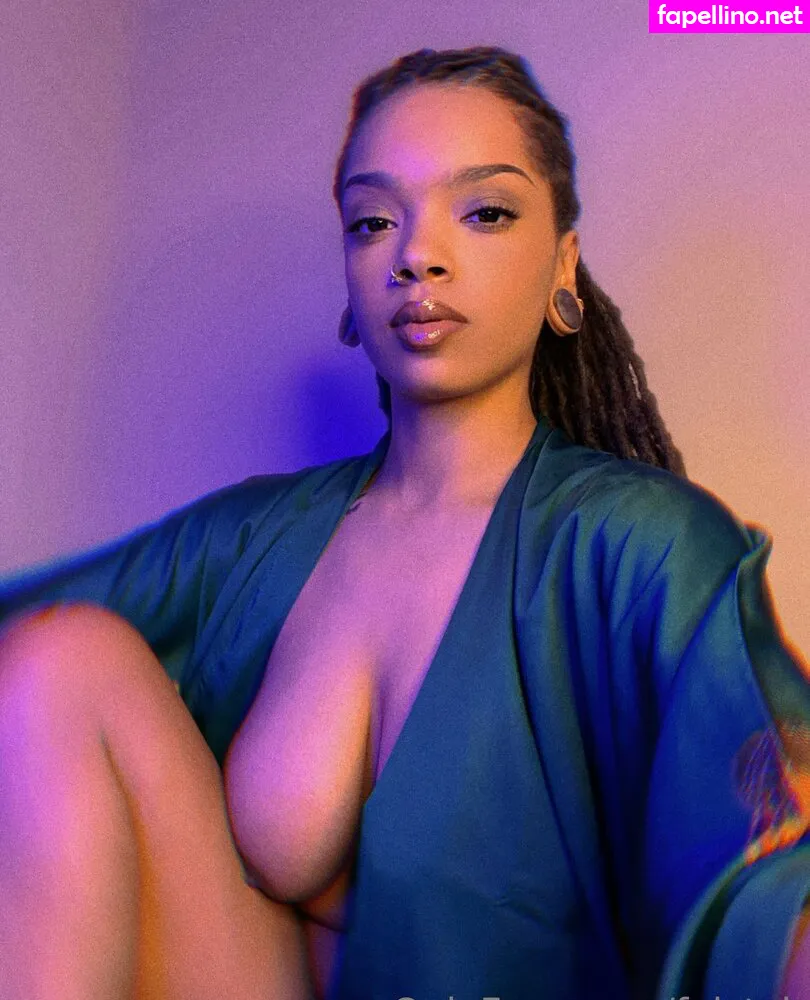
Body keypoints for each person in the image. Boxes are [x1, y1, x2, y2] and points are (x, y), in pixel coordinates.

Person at [0, 45, 808, 1000]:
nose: (417, 256)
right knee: (59, 660)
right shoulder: (259, 534)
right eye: (374, 221)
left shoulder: (639, 545)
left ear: (563, 266)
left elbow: (771, 877)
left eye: (485, 212)